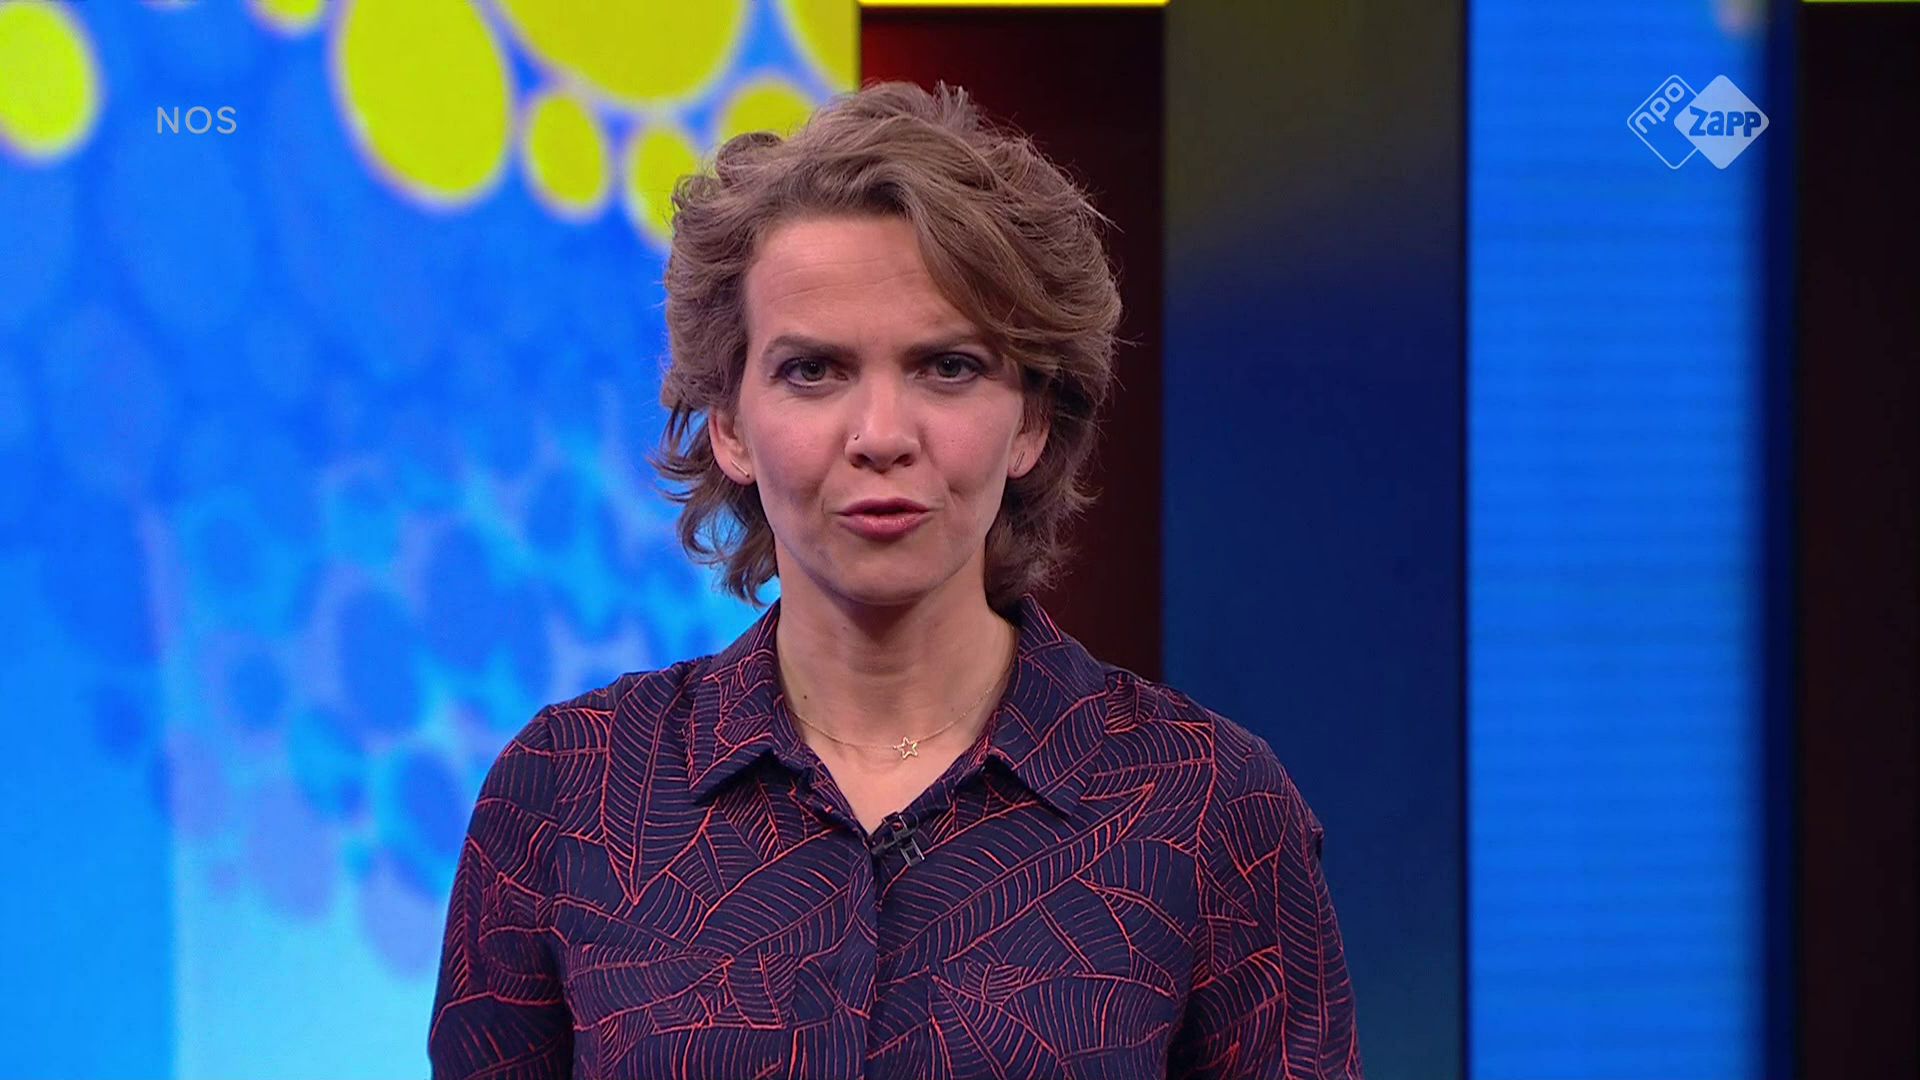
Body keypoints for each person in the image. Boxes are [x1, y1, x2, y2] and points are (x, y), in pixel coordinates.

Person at [428, 81, 1364, 1080]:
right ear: (730, 425)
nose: (881, 436)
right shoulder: (567, 791)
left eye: (947, 367)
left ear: (1032, 421)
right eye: (813, 370)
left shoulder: (1207, 803)